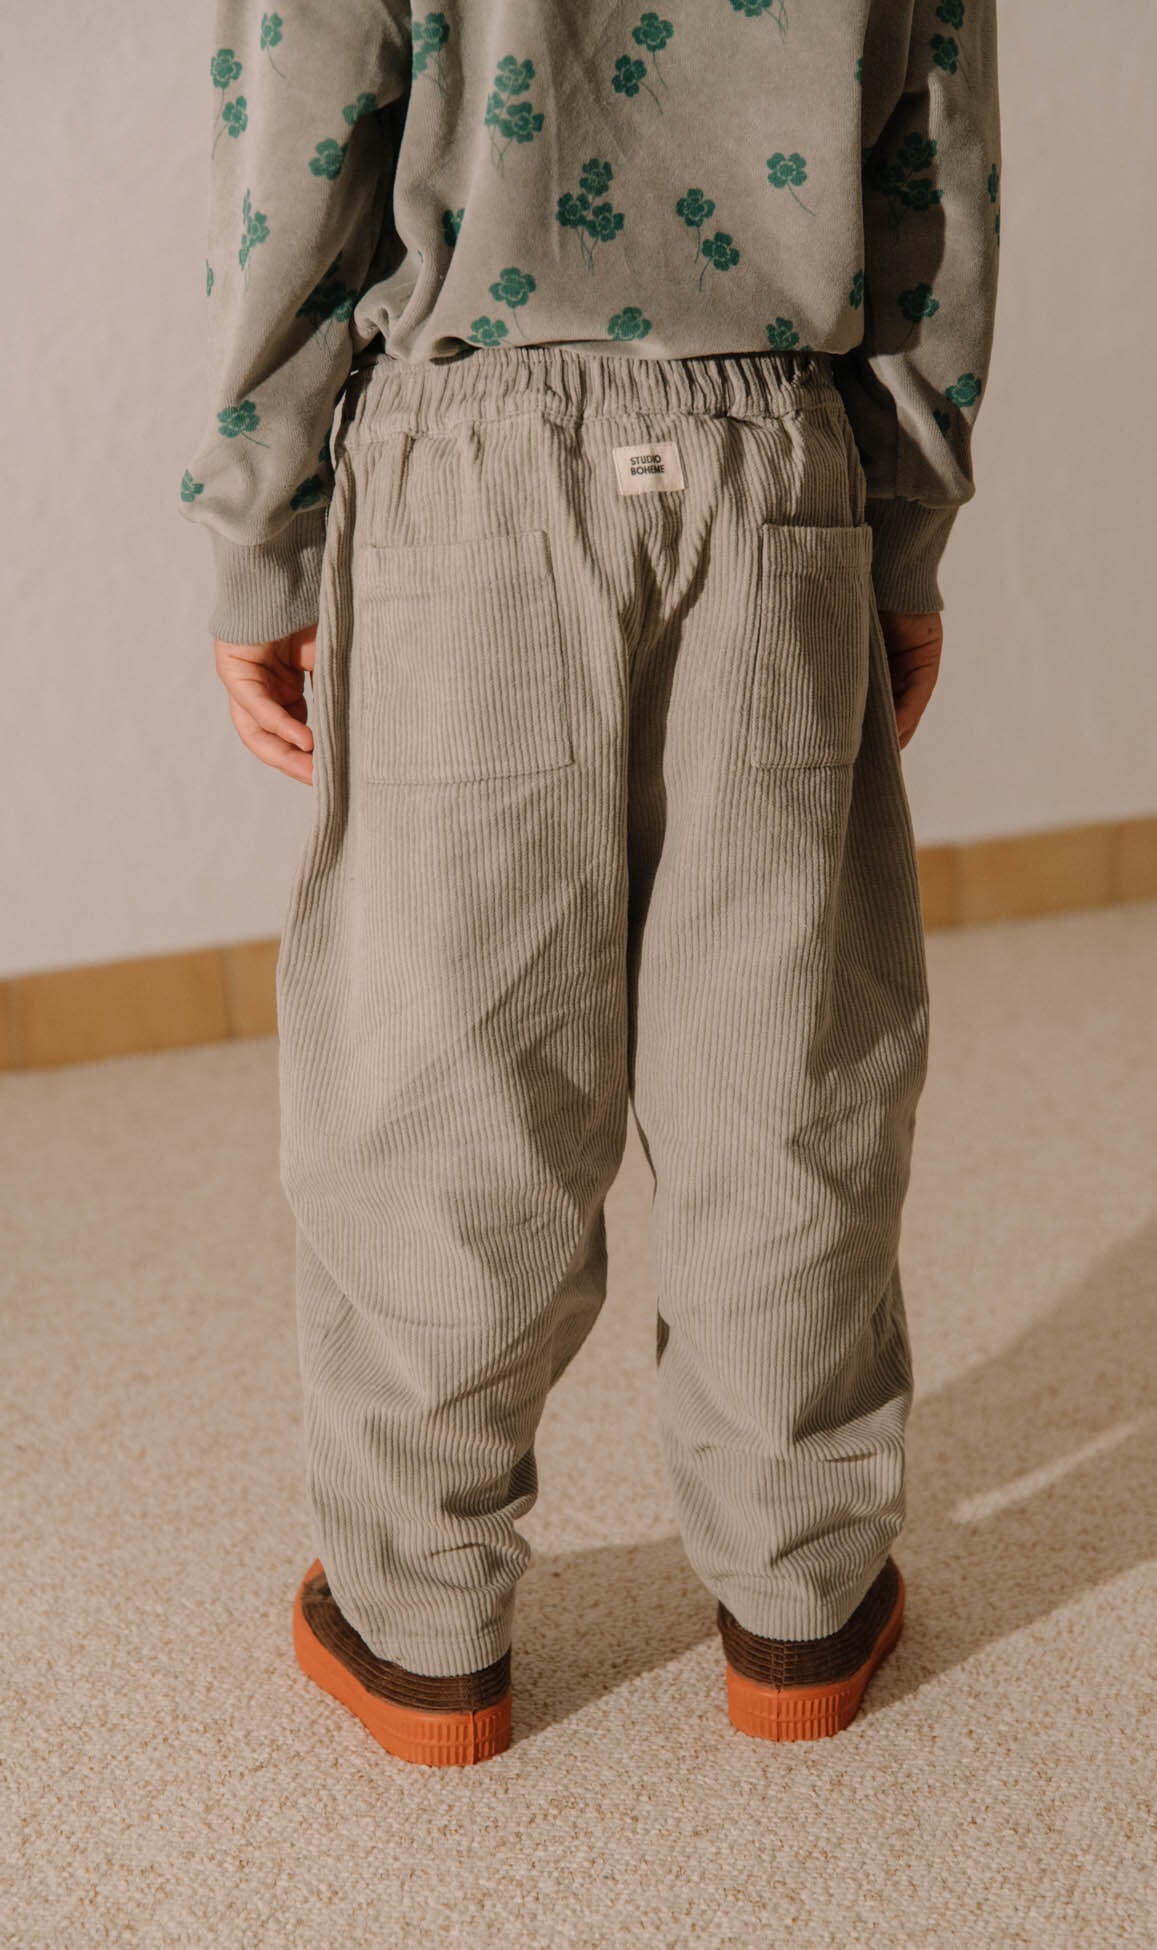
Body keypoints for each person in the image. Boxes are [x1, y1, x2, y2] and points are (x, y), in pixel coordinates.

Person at [180, 0, 1000, 1766]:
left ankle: (421, 1623)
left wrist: (263, 532)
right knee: (783, 1056)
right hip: (776, 462)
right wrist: (904, 532)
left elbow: (297, 147)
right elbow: (932, 163)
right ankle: (801, 1596)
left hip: (468, 465)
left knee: (445, 1070)